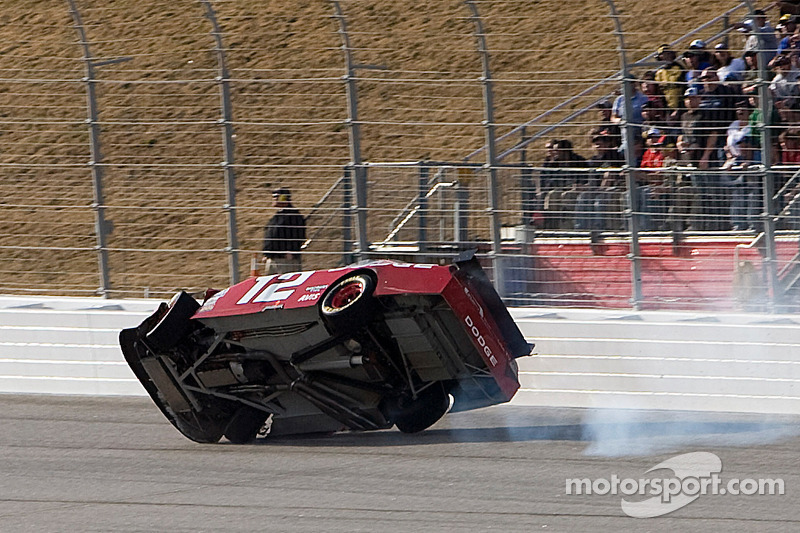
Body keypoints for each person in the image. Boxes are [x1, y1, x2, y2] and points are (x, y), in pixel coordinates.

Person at [262, 187, 306, 274]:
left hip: (285, 259)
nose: (274, 199)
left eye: (276, 196)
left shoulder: (293, 216)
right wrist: (267, 254)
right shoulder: (278, 216)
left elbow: (298, 235)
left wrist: (291, 251)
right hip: (274, 258)